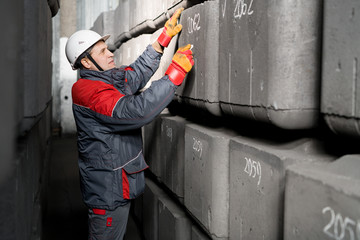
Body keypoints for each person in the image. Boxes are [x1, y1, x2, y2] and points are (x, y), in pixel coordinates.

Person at [65, 8, 194, 240]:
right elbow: (135, 111)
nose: (110, 54)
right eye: (103, 51)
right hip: (107, 192)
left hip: (115, 186)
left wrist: (162, 41)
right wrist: (174, 74)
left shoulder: (104, 79)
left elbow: (133, 76)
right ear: (86, 61)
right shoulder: (89, 92)